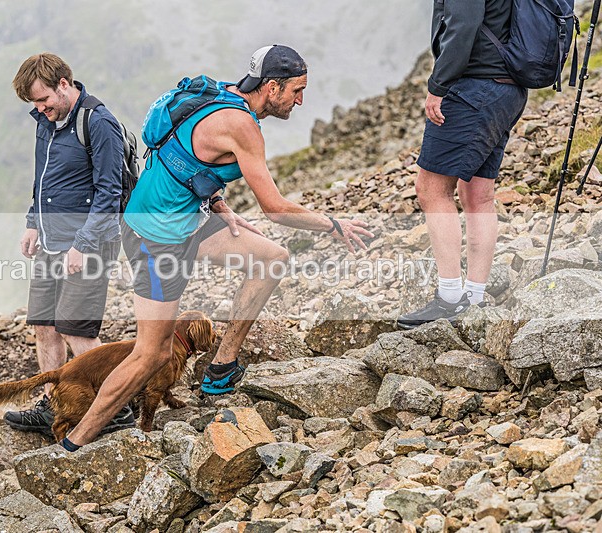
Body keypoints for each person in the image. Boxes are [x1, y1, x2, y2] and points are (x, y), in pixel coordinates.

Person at [58, 44, 373, 452]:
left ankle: (221, 366)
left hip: (187, 219)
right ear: (271, 87)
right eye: (296, 90)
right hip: (157, 236)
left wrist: (217, 204)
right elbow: (275, 209)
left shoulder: (221, 94)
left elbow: (185, 155)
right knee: (150, 355)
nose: (301, 100)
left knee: (271, 260)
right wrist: (333, 224)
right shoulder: (243, 125)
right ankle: (75, 443)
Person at [4, 53, 134, 435]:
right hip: (50, 240)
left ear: (64, 83)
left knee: (76, 328)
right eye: (34, 104)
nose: (40, 109)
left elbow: (109, 192)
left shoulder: (99, 123)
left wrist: (82, 244)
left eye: (43, 100)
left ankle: (117, 406)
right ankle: (54, 405)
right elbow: (43, 179)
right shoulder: (47, 121)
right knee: (45, 326)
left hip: (89, 243)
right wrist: (32, 223)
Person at [397, 0, 527, 330]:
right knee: (478, 195)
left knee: (431, 189)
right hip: (508, 89)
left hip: (473, 88)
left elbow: (462, 26)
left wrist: (438, 86)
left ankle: (451, 297)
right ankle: (476, 295)